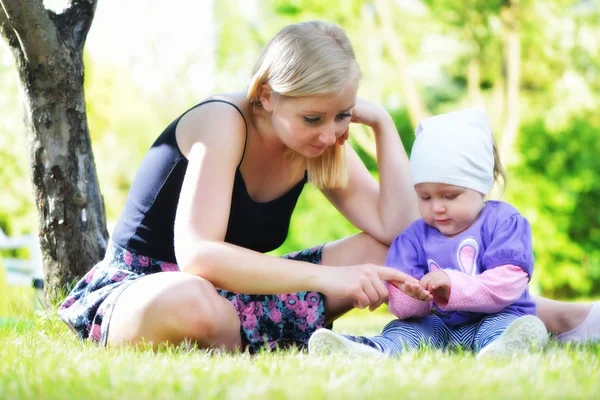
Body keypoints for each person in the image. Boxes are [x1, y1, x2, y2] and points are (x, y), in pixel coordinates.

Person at [58, 21, 598, 353]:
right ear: (266, 95)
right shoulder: (224, 121)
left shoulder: (322, 144)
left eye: (343, 115)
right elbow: (197, 256)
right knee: (195, 302)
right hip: (149, 289)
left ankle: (555, 318)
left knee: (397, 252)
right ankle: (244, 342)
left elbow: (396, 229)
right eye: (314, 117)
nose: (332, 133)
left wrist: (383, 123)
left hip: (238, 296)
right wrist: (332, 279)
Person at [308, 107, 550, 358]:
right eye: (425, 197)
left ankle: (504, 348)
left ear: (481, 185)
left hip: (495, 317)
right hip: (438, 324)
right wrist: (413, 296)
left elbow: (508, 285)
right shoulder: (413, 238)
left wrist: (451, 284)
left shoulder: (503, 221)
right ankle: (370, 350)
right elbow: (405, 309)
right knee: (404, 331)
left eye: (450, 196)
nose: (437, 207)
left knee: (503, 326)